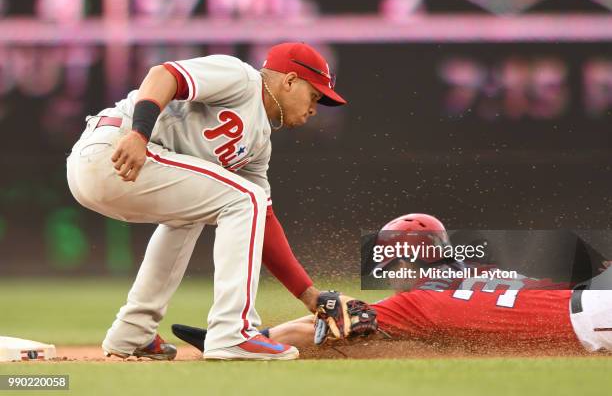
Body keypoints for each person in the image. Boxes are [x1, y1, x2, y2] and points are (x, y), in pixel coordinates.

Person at [66, 42, 347, 361]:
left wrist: (310, 296)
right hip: (116, 148)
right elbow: (164, 74)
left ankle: (132, 332)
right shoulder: (242, 78)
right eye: (314, 95)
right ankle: (232, 333)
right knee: (243, 198)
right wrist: (139, 134)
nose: (315, 108)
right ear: (290, 80)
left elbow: (262, 221)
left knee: (206, 210)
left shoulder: (258, 145)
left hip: (122, 166)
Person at [172, 214, 612, 354]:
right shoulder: (482, 275)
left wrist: (240, 340)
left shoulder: (417, 304)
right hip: (591, 303)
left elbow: (322, 328)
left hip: (591, 319)